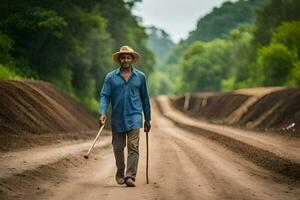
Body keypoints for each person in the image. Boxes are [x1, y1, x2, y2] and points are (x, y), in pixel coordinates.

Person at [99, 45, 151, 187]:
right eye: (123, 57)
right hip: (117, 118)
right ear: (119, 59)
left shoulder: (140, 77)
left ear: (132, 59)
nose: (125, 59)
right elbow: (105, 96)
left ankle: (130, 176)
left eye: (128, 57)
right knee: (118, 147)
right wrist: (102, 112)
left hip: (134, 116)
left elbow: (145, 98)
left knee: (133, 147)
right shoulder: (111, 77)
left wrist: (148, 118)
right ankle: (120, 170)